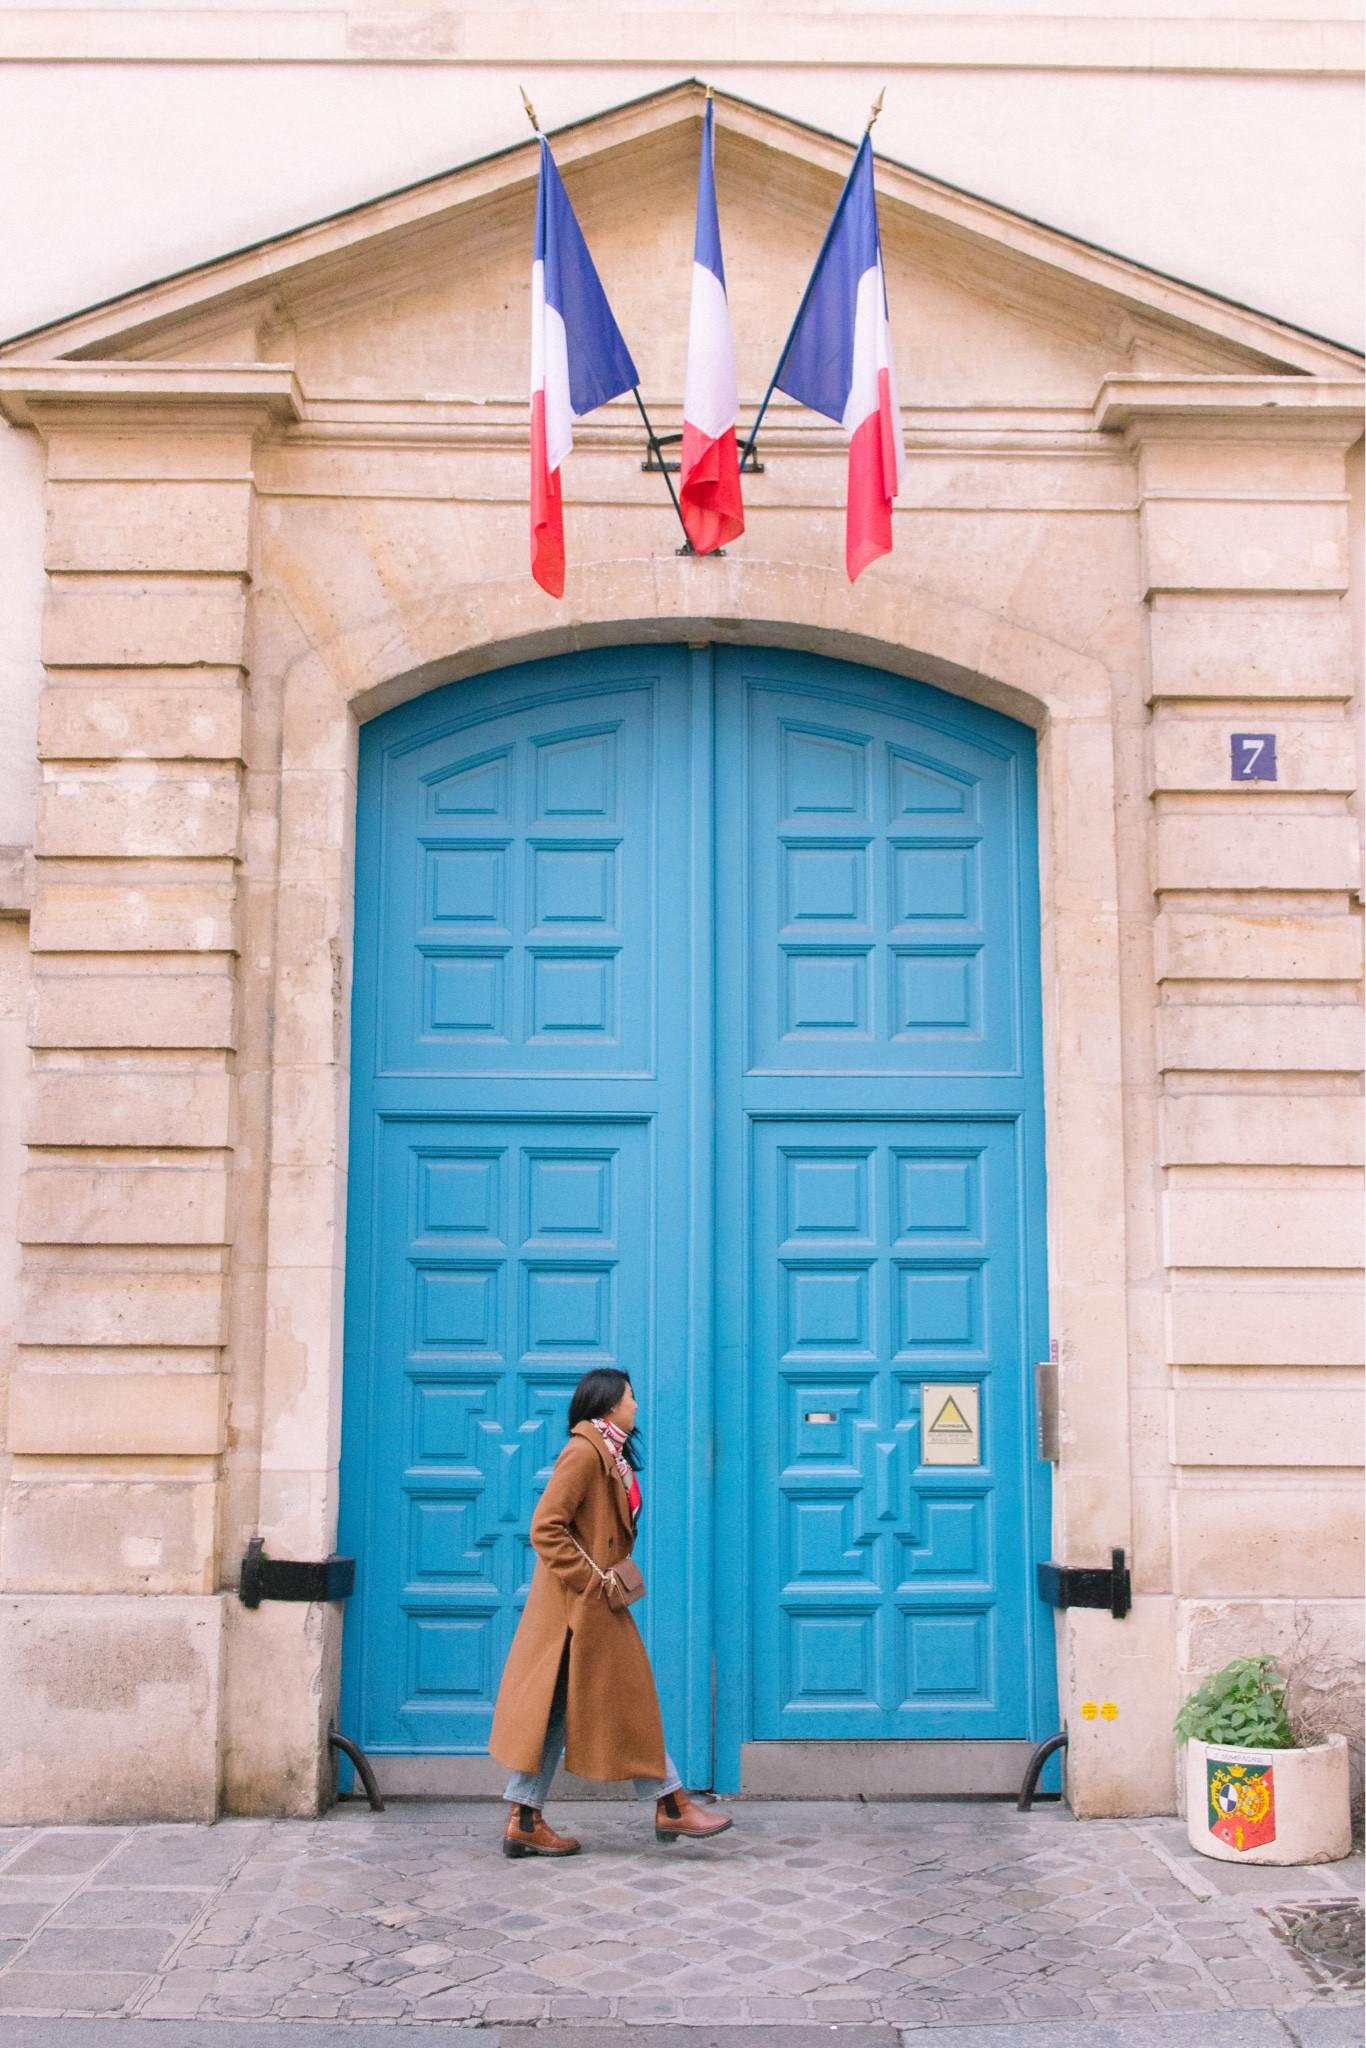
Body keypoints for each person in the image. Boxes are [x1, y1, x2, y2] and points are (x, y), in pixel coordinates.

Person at [489, 1367, 733, 1857]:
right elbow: (545, 1529)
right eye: (631, 1397)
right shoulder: (584, 1453)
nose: (637, 1405)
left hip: (588, 1608)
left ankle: (525, 1816)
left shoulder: (610, 1455)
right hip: (579, 1606)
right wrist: (592, 1582)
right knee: (628, 1697)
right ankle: (671, 1802)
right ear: (608, 1404)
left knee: (556, 1708)